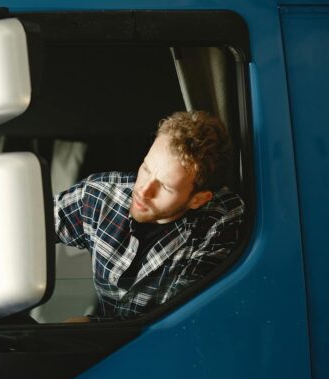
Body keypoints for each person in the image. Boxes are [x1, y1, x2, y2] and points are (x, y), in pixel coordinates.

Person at [55, 110, 244, 320]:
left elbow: (180, 320)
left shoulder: (218, 225)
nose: (143, 191)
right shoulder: (99, 196)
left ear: (198, 200)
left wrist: (91, 326)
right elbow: (26, 228)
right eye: (146, 168)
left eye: (165, 187)